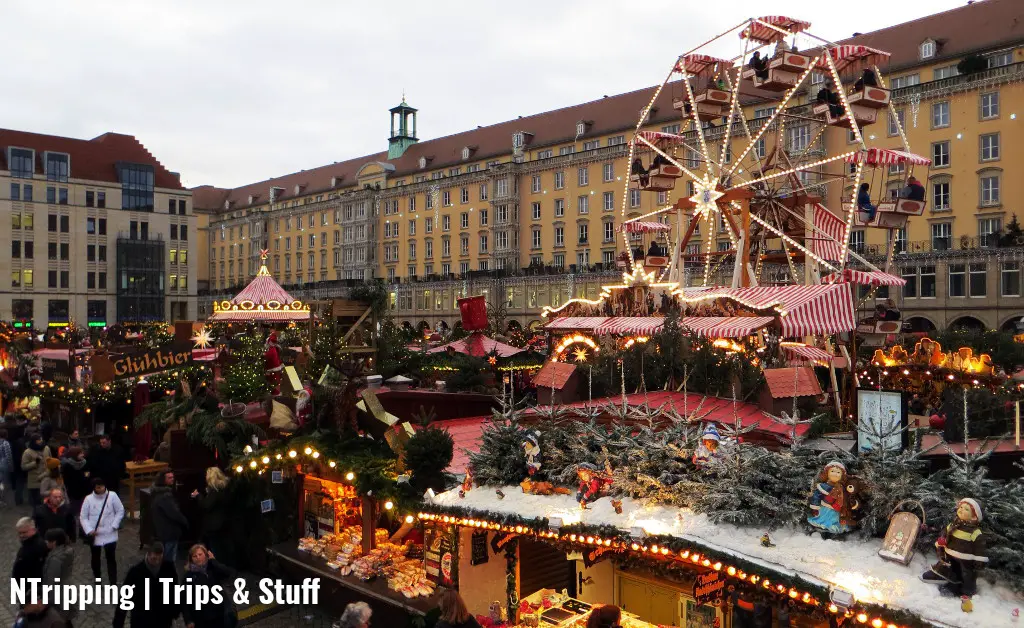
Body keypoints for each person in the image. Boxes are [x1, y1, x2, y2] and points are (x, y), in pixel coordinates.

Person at [114, 542, 181, 628]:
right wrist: (118, 623)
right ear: (148, 554)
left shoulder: (169, 568)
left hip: (163, 619)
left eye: (159, 559)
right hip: (142, 620)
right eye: (154, 559)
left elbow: (174, 591)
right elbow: (124, 598)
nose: (157, 562)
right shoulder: (135, 572)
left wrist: (175, 611)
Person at [180, 544, 237, 628]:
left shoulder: (212, 568)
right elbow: (184, 600)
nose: (198, 558)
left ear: (206, 555)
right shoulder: (188, 576)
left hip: (220, 613)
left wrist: (214, 561)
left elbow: (231, 573)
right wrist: (188, 620)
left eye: (200, 554)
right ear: (191, 559)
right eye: (194, 556)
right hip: (202, 618)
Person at [79, 477, 124, 584]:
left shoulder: (112, 496)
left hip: (110, 533)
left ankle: (113, 581)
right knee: (95, 558)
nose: (101, 489)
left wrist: (114, 525)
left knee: (111, 559)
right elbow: (83, 517)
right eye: (98, 487)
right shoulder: (88, 499)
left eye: (102, 486)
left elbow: (120, 510)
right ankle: (97, 579)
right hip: (95, 534)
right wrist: (89, 530)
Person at [193, 467, 231, 563]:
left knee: (215, 548)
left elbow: (206, 505)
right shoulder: (225, 487)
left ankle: (218, 567)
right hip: (224, 522)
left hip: (214, 524)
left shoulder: (215, 491)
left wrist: (198, 496)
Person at [151, 469, 189, 564]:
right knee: (169, 559)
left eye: (173, 477)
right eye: (170, 478)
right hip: (169, 532)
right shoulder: (165, 496)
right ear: (163, 480)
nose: (173, 479)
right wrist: (185, 522)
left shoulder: (157, 493)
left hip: (163, 531)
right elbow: (174, 513)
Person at [42, 528, 76, 626]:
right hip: (67, 587)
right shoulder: (67, 551)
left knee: (60, 620)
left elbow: (51, 581)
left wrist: (47, 600)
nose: (46, 542)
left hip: (59, 594)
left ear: (54, 542)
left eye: (48, 540)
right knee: (66, 619)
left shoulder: (55, 559)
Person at [21, 433, 52, 506]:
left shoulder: (46, 448)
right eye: (39, 440)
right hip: (35, 481)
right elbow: (23, 466)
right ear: (34, 441)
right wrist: (35, 462)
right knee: (37, 503)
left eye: (41, 439)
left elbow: (51, 460)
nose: (41, 441)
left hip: (46, 478)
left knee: (47, 501)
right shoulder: (27, 452)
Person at [60, 447, 89, 519]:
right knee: (74, 511)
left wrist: (85, 477)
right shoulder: (68, 465)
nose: (82, 455)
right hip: (73, 492)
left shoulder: (85, 463)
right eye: (80, 453)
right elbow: (66, 480)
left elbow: (87, 473)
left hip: (84, 491)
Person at [0, 428, 13, 506]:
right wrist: (11, 468)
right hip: (4, 464)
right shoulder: (6, 443)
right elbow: (9, 456)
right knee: (4, 483)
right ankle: (2, 500)